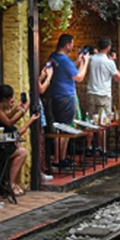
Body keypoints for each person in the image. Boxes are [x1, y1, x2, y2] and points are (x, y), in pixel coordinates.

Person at [0, 85, 39, 196]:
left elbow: (6, 118)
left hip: (2, 144)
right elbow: (8, 122)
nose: (12, 101)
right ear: (4, 99)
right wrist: (23, 111)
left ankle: (11, 183)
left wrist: (17, 110)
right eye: (11, 99)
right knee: (22, 152)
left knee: (20, 149)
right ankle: (11, 183)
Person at [46, 34, 89, 166]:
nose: (72, 46)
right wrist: (86, 62)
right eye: (71, 43)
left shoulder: (53, 57)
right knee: (65, 129)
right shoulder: (64, 60)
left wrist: (77, 62)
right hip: (65, 96)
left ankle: (60, 158)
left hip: (56, 96)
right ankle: (60, 159)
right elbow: (79, 77)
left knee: (60, 127)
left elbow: (67, 69)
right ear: (67, 45)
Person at [85, 38, 120, 156]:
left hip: (91, 93)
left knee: (90, 121)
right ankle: (103, 149)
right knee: (103, 123)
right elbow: (118, 78)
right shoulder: (109, 62)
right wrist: (114, 63)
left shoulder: (91, 59)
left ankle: (89, 147)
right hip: (104, 95)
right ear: (108, 47)